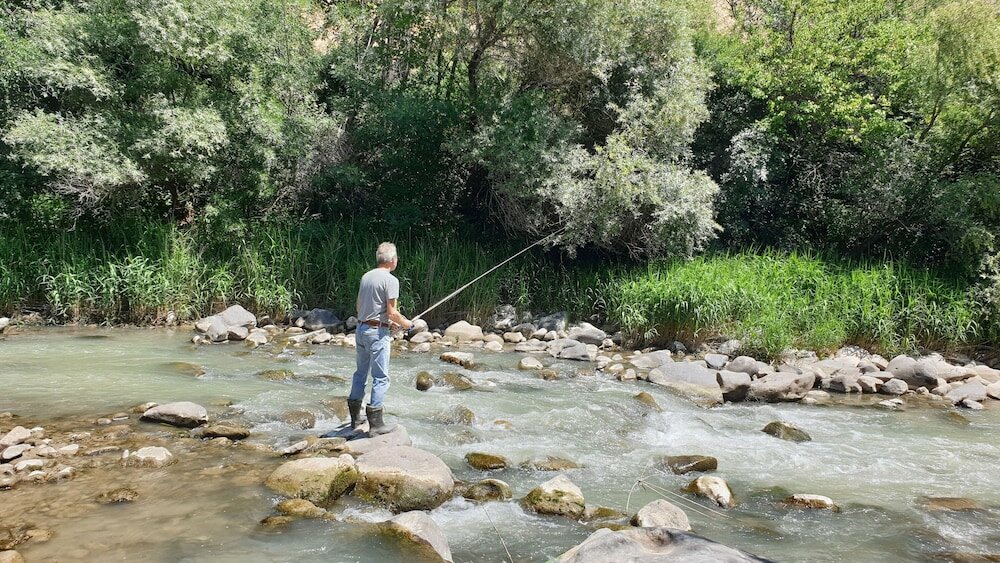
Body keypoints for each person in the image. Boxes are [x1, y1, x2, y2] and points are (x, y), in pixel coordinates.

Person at [346, 241, 413, 436]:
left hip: (360, 329)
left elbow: (360, 307)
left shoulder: (366, 276)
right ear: (393, 260)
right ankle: (376, 425)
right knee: (381, 378)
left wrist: (386, 321)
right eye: (396, 258)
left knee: (360, 374)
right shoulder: (391, 280)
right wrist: (407, 324)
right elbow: (392, 313)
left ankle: (355, 418)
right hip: (377, 334)